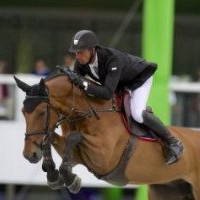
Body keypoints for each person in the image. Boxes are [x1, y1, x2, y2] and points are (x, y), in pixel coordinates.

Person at [66, 30, 183, 165]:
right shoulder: (81, 63)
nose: (77, 56)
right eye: (75, 52)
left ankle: (173, 141)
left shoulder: (111, 59)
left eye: (80, 51)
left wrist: (82, 83)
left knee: (137, 114)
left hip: (139, 79)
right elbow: (78, 87)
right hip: (120, 83)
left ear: (92, 49)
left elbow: (106, 93)